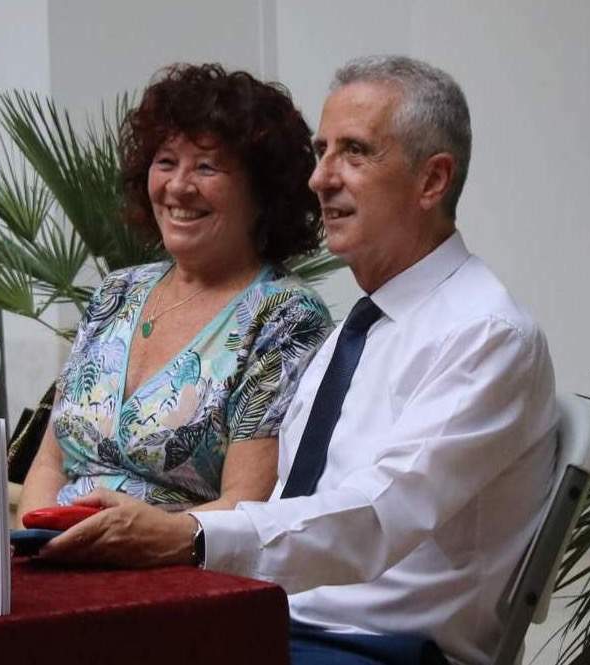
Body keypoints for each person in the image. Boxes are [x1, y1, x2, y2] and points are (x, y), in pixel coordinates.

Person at [41, 55, 556, 665]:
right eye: (321, 150)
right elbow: (288, 495)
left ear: (432, 181)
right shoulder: (362, 328)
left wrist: (187, 535)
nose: (321, 178)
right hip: (270, 621)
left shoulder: (486, 334)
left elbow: (377, 515)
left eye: (355, 152)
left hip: (374, 649)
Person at [15, 63, 332, 525]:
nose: (179, 187)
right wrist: (36, 542)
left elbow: (246, 510)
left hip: (177, 576)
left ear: (263, 192)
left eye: (206, 167)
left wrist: (138, 542)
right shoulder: (117, 292)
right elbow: (49, 463)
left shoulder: (285, 317)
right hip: (54, 561)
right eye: (166, 162)